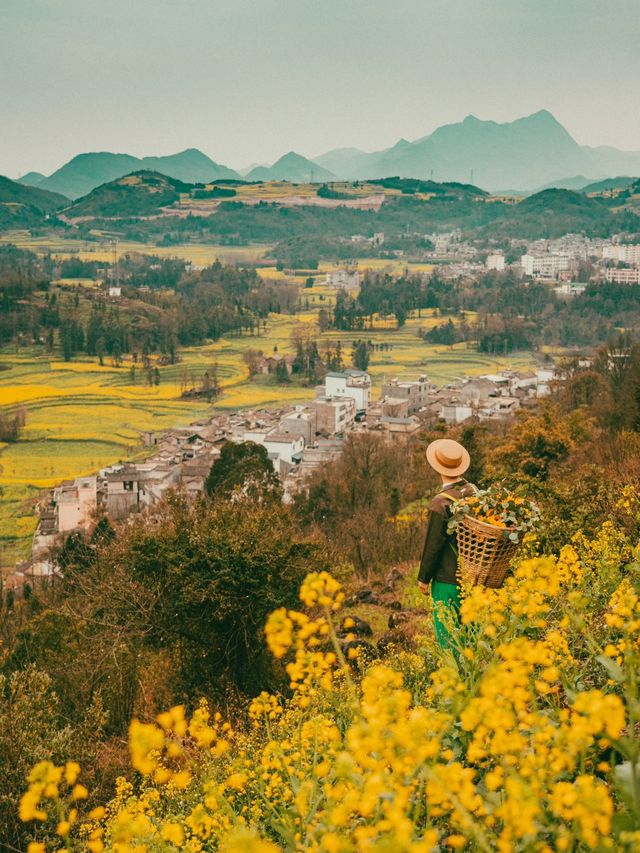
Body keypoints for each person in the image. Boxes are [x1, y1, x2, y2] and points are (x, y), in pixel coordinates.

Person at [418, 438, 476, 648]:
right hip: (474, 578)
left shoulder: (440, 503)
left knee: (449, 637)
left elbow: (433, 545)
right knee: (471, 636)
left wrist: (424, 578)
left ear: (437, 467)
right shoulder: (473, 492)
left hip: (447, 579)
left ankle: (455, 677)